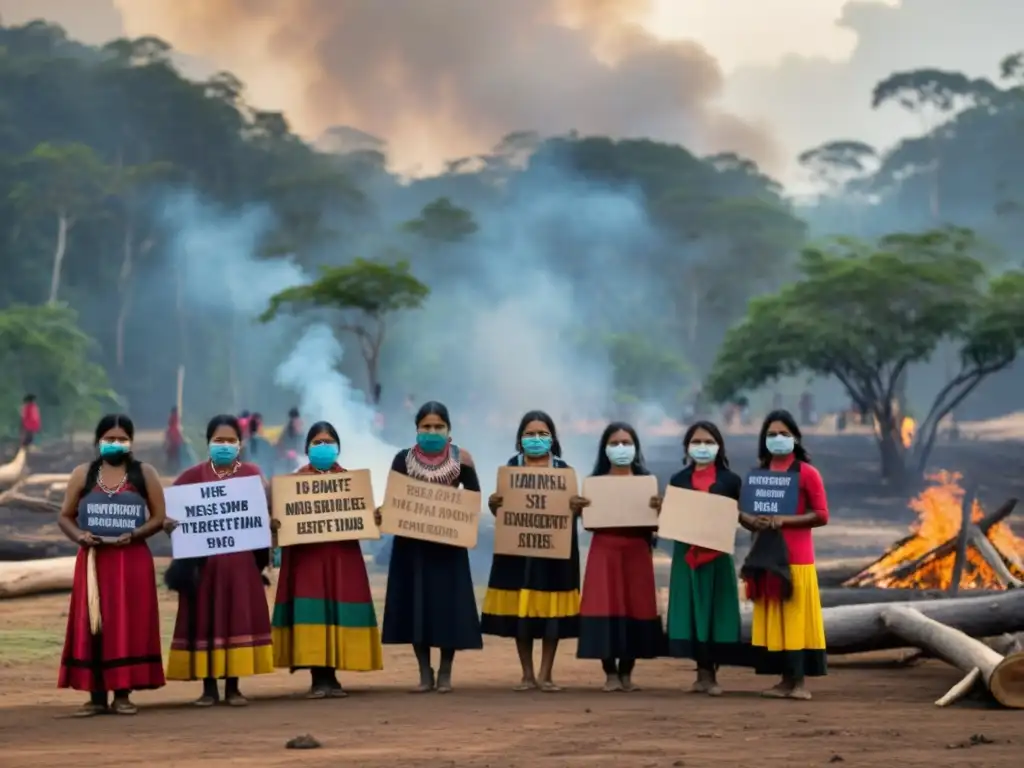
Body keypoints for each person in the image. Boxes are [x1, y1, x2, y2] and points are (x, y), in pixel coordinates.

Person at [56, 414, 167, 716]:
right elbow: (65, 515)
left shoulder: (145, 473)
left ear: (131, 442)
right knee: (93, 622)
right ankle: (95, 696)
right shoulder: (83, 474)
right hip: (93, 562)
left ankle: (123, 693)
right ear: (98, 441)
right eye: (109, 438)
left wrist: (135, 534)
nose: (115, 443)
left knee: (126, 622)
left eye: (121, 438)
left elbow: (158, 517)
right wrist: (80, 536)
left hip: (131, 561)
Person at [164, 414, 274, 706]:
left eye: (230, 440)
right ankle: (208, 689)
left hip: (241, 567)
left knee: (235, 620)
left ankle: (234, 688)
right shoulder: (192, 477)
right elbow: (169, 510)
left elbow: (265, 512)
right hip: (204, 568)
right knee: (205, 622)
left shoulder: (252, 475)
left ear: (240, 443)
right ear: (208, 443)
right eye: (218, 441)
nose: (224, 445)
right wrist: (168, 523)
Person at [271, 421, 383, 697]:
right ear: (307, 448)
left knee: (336, 610)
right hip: (307, 559)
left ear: (338, 448)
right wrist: (276, 523)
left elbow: (364, 519)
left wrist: (374, 518)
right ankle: (318, 678)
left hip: (341, 556)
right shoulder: (294, 483)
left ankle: (331, 677)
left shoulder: (350, 482)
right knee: (313, 613)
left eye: (328, 442)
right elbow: (282, 522)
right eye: (317, 443)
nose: (323, 448)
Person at [377, 401, 483, 692]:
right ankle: (425, 673)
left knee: (447, 607)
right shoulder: (402, 459)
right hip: (412, 548)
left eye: (438, 426)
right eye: (426, 427)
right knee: (417, 606)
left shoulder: (463, 460)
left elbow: (473, 497)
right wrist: (381, 511)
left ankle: (446, 672)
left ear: (448, 429)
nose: (432, 431)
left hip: (449, 546)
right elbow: (393, 497)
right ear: (417, 429)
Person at [481, 410, 587, 692]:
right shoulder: (510, 468)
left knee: (551, 613)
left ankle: (546, 674)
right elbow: (500, 509)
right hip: (517, 552)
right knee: (521, 611)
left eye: (542, 434)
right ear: (520, 439)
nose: (536, 439)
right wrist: (494, 503)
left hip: (555, 553)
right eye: (529, 434)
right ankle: (526, 674)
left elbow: (572, 513)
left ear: (552, 439)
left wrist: (576, 506)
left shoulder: (564, 471)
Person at [741, 409, 829, 700]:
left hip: (797, 558)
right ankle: (783, 680)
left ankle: (800, 682)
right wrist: (750, 520)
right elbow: (748, 515)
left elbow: (821, 515)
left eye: (784, 434)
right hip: (766, 556)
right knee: (776, 617)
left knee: (795, 618)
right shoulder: (759, 475)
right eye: (772, 435)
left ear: (795, 437)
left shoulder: (807, 473)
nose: (778, 439)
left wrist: (783, 520)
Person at [666, 421, 755, 695]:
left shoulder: (731, 481)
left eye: (708, 442)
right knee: (692, 611)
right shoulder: (678, 480)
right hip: (686, 555)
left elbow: (740, 514)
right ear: (687, 447)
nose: (702, 448)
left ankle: (711, 674)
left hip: (716, 554)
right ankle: (701, 673)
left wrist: (754, 520)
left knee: (716, 611)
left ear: (718, 446)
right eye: (696, 442)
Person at [576, 422, 664, 691]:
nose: (621, 448)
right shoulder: (594, 483)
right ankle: (610, 674)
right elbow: (589, 522)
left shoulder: (646, 482)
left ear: (635, 448)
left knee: (635, 607)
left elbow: (657, 523)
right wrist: (579, 509)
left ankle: (627, 673)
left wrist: (660, 508)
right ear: (605, 449)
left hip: (636, 550)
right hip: (605, 550)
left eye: (626, 443)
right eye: (614, 443)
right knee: (605, 606)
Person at [164, 406, 185, 474]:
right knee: (176, 457)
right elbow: (178, 431)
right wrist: (182, 439)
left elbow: (168, 433)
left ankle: (170, 469)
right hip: (175, 441)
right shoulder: (176, 419)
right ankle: (176, 469)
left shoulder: (171, 422)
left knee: (171, 456)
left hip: (172, 441)